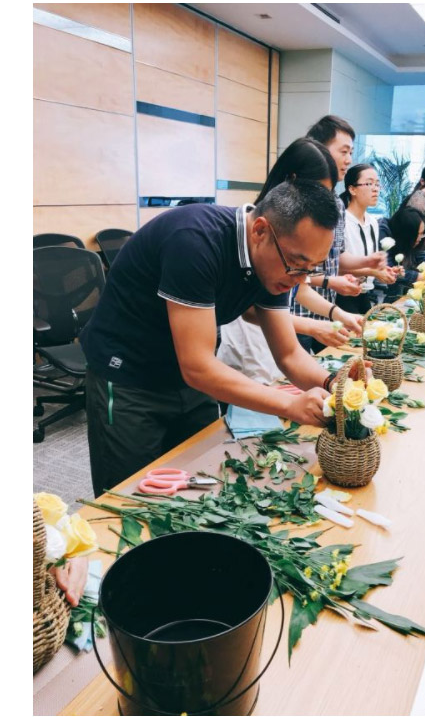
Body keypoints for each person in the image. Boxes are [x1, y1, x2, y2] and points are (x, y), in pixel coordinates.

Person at [81, 180, 341, 495]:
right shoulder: (195, 241)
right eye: (297, 265)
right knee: (130, 499)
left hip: (188, 379)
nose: (299, 279)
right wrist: (290, 404)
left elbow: (289, 354)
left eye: (310, 268)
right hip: (129, 377)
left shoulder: (276, 264)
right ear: (260, 231)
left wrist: (336, 385)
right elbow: (198, 366)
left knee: (202, 480)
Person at [218, 138, 363, 381]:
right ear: (292, 182)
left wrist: (338, 314)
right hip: (252, 340)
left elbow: (301, 288)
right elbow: (250, 312)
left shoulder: (291, 243)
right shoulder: (262, 235)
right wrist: (314, 325)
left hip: (279, 333)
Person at [292, 115, 387, 351]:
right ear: (319, 150)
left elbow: (336, 256)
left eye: (351, 153)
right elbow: (292, 277)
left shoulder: (335, 201)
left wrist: (367, 262)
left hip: (324, 308)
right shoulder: (296, 201)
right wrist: (332, 282)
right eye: (343, 152)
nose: (349, 160)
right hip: (295, 312)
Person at [335, 164, 399, 315]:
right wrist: (375, 272)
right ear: (352, 189)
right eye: (369, 183)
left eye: (377, 184)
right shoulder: (341, 221)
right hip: (342, 294)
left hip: (363, 293)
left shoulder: (372, 222)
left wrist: (384, 270)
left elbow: (368, 261)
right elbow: (336, 265)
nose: (375, 189)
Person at [378, 206, 425, 300]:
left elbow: (421, 255)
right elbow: (388, 267)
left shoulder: (405, 238)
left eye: (422, 233)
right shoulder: (383, 233)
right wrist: (416, 276)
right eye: (419, 234)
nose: (420, 238)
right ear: (407, 233)